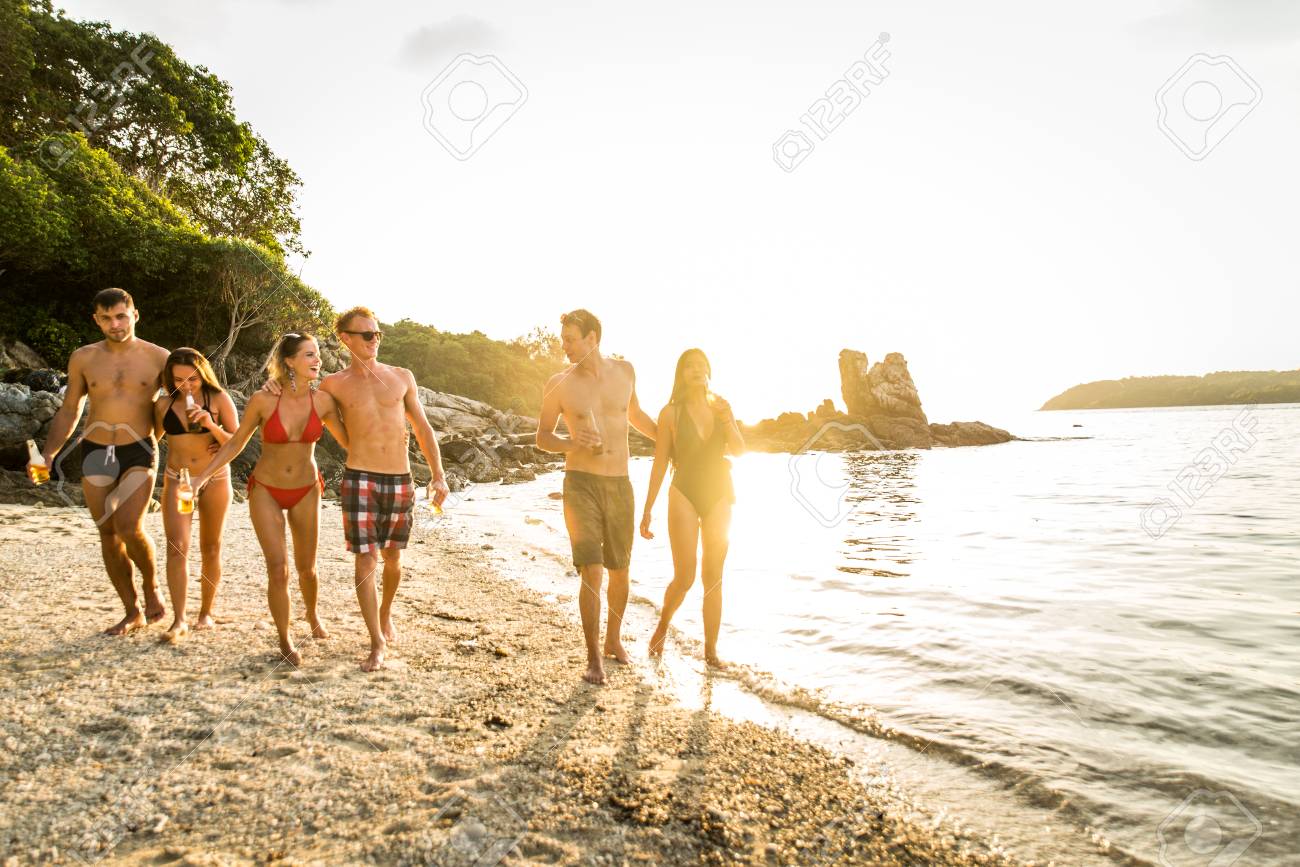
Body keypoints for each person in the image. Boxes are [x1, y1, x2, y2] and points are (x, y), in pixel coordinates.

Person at [262, 308, 450, 671]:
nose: (374, 340)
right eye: (366, 335)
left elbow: (424, 429)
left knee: (393, 558)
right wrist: (276, 384)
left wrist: (438, 475)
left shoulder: (401, 377)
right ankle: (376, 642)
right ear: (345, 339)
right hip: (360, 477)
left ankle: (385, 612)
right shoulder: (333, 384)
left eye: (377, 334)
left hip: (400, 477)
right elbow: (298, 399)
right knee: (367, 560)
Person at [193, 333, 347, 666]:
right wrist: (201, 477)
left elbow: (351, 442)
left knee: (307, 569)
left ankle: (312, 615)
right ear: (290, 361)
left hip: (307, 489)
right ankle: (285, 639)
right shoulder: (264, 400)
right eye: (309, 355)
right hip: (265, 489)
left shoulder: (323, 401)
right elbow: (235, 443)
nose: (317, 360)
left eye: (318, 354)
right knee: (278, 569)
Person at [30, 288, 169, 635]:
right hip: (95, 450)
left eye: (121, 316)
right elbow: (70, 409)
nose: (115, 324)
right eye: (106, 318)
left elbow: (177, 405)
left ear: (135, 315)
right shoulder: (83, 358)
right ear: (96, 319)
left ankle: (152, 587)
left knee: (129, 526)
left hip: (139, 450)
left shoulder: (159, 357)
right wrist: (49, 454)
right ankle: (131, 610)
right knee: (107, 532)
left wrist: (172, 447)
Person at [537, 309, 658, 684]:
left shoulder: (625, 372)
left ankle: (613, 640)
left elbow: (635, 414)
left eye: (571, 339)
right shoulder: (558, 384)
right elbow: (542, 437)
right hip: (581, 484)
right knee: (592, 570)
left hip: (620, 484)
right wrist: (572, 443)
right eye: (563, 339)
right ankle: (593, 659)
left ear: (593, 338)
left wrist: (671, 444)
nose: (565, 346)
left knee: (620, 572)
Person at [640, 349, 744, 668]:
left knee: (713, 575)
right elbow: (659, 463)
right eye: (689, 366)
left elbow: (739, 450)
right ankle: (662, 625)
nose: (696, 370)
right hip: (683, 490)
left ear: (709, 371)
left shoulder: (721, 407)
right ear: (681, 374)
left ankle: (710, 652)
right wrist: (647, 510)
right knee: (685, 576)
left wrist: (728, 419)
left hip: (718, 491)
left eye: (701, 365)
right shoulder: (670, 413)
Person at [152, 348, 239, 642]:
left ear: (203, 374)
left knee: (211, 547)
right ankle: (178, 619)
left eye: (193, 379)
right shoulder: (164, 404)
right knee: (176, 546)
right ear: (168, 378)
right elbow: (151, 441)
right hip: (178, 479)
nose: (186, 386)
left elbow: (236, 442)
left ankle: (206, 612)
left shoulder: (219, 399)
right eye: (178, 380)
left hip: (214, 478)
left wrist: (211, 425)